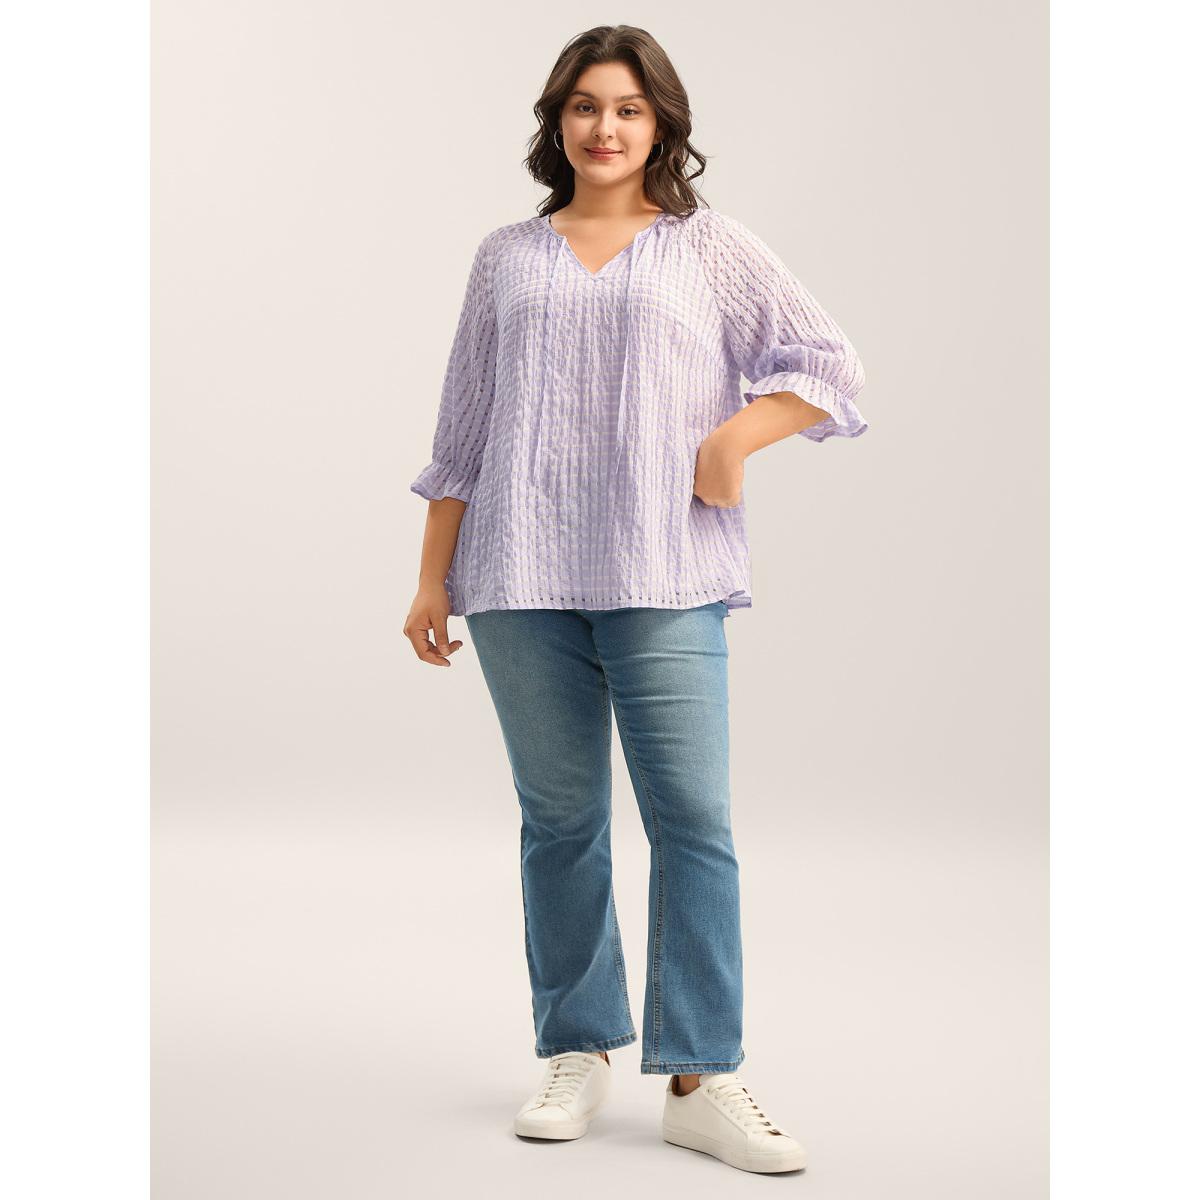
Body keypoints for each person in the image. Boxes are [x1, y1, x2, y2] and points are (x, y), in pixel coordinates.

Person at [404, 25, 867, 1176]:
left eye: (626, 108)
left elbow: (828, 366)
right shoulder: (507, 258)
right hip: (517, 578)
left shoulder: (710, 248)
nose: (603, 128)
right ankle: (577, 1045)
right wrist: (430, 576)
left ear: (661, 124)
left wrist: (734, 438)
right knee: (559, 825)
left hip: (665, 571)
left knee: (694, 825)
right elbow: (464, 428)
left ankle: (703, 1076)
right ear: (555, 121)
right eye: (583, 106)